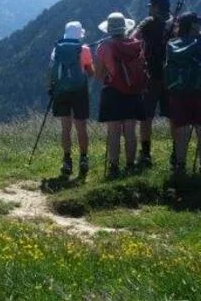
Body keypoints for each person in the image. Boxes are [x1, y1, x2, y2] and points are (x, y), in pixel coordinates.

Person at [95, 12, 146, 179]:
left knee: (114, 131)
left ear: (109, 29)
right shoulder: (136, 44)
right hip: (134, 91)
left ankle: (114, 166)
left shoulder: (104, 47)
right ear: (125, 28)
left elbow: (99, 75)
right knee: (130, 130)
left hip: (113, 92)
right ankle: (130, 165)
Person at [165, 13, 201, 175]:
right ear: (194, 25)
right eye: (198, 23)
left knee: (181, 131)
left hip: (179, 91)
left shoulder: (172, 44)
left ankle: (180, 165)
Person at [130, 0, 173, 167]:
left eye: (150, 6)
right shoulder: (175, 23)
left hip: (151, 74)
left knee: (146, 116)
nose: (148, 9)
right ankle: (177, 154)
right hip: (172, 76)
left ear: (155, 7)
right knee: (173, 116)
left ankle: (146, 154)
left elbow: (133, 39)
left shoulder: (149, 22)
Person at [49, 21, 94, 176]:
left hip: (61, 90)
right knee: (81, 126)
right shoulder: (84, 49)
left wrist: (51, 88)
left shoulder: (57, 49)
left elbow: (52, 69)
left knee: (65, 127)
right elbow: (90, 72)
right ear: (79, 34)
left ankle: (67, 160)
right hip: (80, 90)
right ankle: (83, 159)